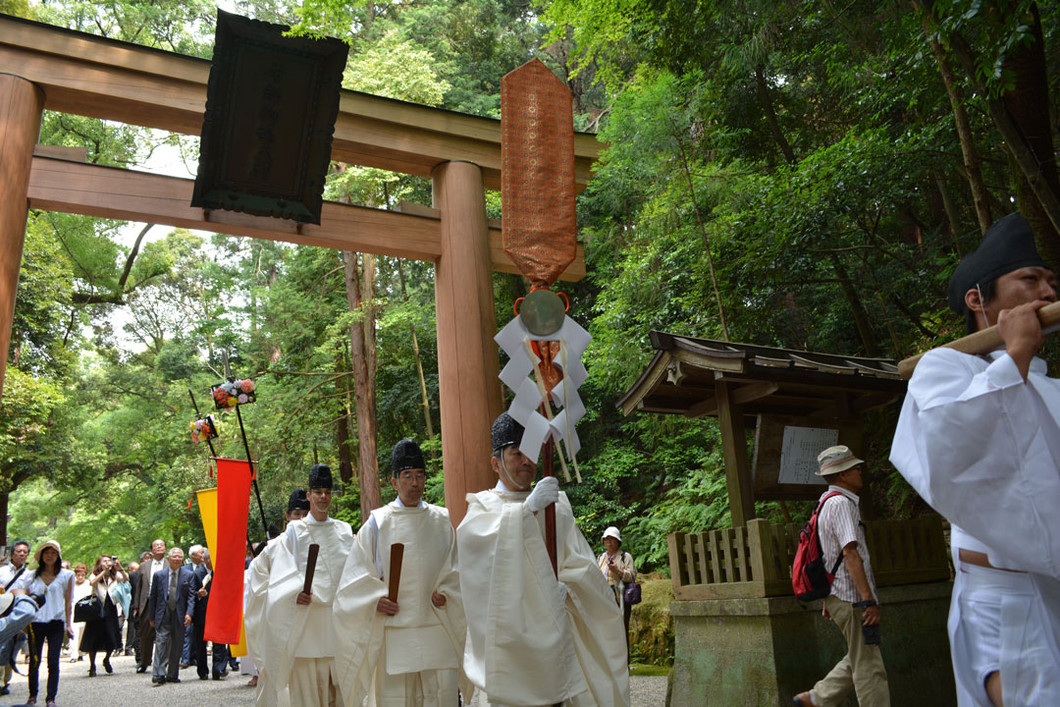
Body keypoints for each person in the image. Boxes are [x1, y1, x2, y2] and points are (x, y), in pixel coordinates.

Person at [890, 212, 1060, 706]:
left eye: (1052, 283)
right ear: (977, 300)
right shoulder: (942, 368)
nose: (1047, 293)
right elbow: (955, 450)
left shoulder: (1050, 387)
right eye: (1029, 280)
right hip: (1003, 599)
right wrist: (1014, 357)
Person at [457, 413, 630, 706]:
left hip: (562, 629)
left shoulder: (557, 506)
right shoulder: (481, 511)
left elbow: (581, 565)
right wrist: (528, 512)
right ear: (496, 463)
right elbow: (483, 575)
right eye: (516, 453)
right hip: (513, 643)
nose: (526, 460)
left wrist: (570, 590)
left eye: (531, 452)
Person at [334, 439, 470, 706]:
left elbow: (456, 571)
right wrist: (374, 600)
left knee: (440, 698)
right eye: (407, 476)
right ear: (395, 482)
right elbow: (354, 582)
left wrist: (448, 594)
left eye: (419, 476)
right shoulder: (378, 523)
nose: (415, 483)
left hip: (436, 628)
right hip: (394, 631)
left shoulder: (441, 520)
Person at [246, 464, 353, 706]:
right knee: (307, 697)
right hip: (306, 627)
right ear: (309, 496)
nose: (323, 497)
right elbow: (267, 573)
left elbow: (354, 575)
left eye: (327, 491)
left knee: (341, 697)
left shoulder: (344, 531)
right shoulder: (294, 532)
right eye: (317, 492)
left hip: (337, 627)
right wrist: (292, 593)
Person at [793, 446, 889, 707]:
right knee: (869, 667)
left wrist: (829, 599)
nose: (860, 472)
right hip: (853, 598)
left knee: (861, 655)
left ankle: (816, 698)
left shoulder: (825, 504)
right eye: (856, 468)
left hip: (841, 596)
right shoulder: (841, 504)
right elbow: (849, 553)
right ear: (842, 475)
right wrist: (868, 600)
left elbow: (827, 555)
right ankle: (817, 698)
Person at [15, 540, 74, 707]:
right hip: (36, 622)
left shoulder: (67, 575)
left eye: (53, 553)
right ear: (41, 556)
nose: (49, 556)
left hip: (56, 621)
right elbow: (18, 592)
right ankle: (32, 696)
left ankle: (51, 698)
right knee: (34, 660)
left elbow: (68, 601)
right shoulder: (31, 575)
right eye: (46, 552)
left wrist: (69, 624)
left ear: (58, 556)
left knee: (53, 661)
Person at [148, 547, 197, 685]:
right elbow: (153, 597)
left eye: (179, 557)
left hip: (180, 613)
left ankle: (172, 674)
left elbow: (191, 597)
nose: (176, 559)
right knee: (161, 642)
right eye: (174, 556)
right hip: (163, 612)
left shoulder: (189, 575)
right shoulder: (159, 575)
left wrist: (189, 613)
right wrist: (151, 616)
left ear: (182, 559)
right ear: (168, 559)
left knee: (177, 643)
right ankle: (158, 674)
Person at [81, 554, 126, 677]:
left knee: (112, 636)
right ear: (100, 563)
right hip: (97, 608)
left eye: (109, 561)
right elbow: (92, 583)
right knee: (94, 637)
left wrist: (119, 567)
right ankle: (92, 665)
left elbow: (126, 579)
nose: (107, 563)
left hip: (111, 607)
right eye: (104, 561)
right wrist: (103, 573)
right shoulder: (94, 574)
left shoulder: (114, 575)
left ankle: (107, 659)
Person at [597, 526, 637, 658]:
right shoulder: (601, 558)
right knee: (605, 630)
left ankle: (624, 662)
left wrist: (617, 571)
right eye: (606, 539)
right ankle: (609, 661)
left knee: (621, 630)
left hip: (619, 597)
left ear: (618, 541)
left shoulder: (625, 557)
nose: (609, 542)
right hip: (603, 598)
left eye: (612, 539)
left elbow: (632, 576)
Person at [0, 540, 31, 695]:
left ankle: (5, 680)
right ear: (12, 553)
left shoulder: (29, 575)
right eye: (18, 551)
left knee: (13, 647)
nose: (21, 554)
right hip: (2, 612)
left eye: (24, 552)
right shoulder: (2, 571)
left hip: (19, 614)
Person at [134, 540, 166, 674]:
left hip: (164, 602)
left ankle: (164, 663)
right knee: (145, 635)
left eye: (161, 545)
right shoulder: (144, 566)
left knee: (165, 634)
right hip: (147, 603)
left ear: (165, 548)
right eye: (155, 545)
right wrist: (136, 606)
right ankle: (144, 661)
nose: (158, 547)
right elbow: (138, 588)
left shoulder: (171, 564)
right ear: (151, 550)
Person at [181, 544, 206, 669]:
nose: (203, 554)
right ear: (193, 555)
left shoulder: (208, 568)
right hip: (188, 606)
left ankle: (195, 657)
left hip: (202, 607)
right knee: (187, 633)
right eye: (201, 552)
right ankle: (185, 659)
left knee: (198, 635)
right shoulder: (185, 569)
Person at [67, 564, 91, 663]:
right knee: (74, 632)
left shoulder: (88, 584)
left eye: (82, 575)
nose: (80, 577)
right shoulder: (72, 584)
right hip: (74, 610)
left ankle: (81, 652)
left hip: (85, 610)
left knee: (83, 632)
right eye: (78, 575)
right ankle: (74, 654)